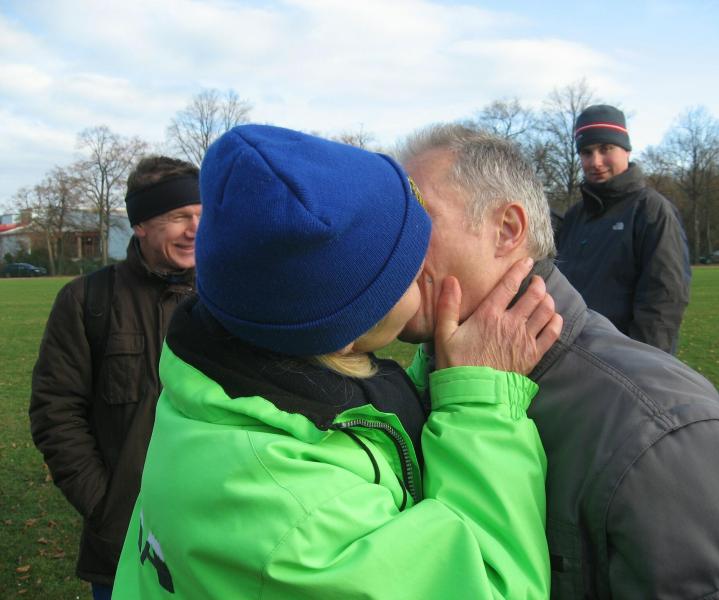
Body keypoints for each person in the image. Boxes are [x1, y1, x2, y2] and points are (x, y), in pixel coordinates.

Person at [111, 125, 562, 599]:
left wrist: (433, 378)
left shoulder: (215, 381)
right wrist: (481, 405)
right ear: (344, 332)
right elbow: (487, 586)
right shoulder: (298, 519)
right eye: (407, 271)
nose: (427, 268)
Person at [398, 123, 719, 599]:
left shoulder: (661, 435)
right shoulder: (406, 391)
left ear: (507, 230)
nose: (389, 245)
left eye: (417, 220)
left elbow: (664, 294)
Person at [29, 156, 202, 600]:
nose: (195, 229)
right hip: (122, 547)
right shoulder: (87, 300)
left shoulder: (225, 298)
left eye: (202, 215)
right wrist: (106, 509)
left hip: (215, 537)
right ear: (140, 224)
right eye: (179, 216)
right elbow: (55, 413)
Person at [556, 104, 691, 354]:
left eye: (606, 148)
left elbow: (663, 301)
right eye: (586, 152)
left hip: (624, 360)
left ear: (626, 150)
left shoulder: (652, 211)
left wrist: (644, 363)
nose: (595, 162)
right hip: (573, 357)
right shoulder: (575, 216)